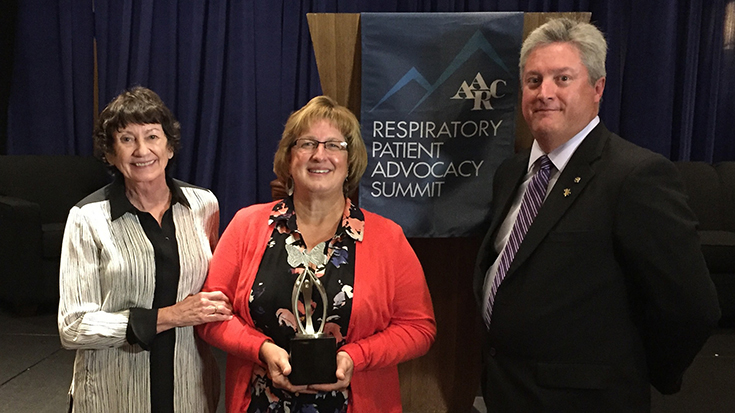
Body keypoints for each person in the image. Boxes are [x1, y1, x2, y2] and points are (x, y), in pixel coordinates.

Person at [473, 18, 721, 412]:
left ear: (598, 88)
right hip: (508, 392)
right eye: (534, 80)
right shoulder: (510, 173)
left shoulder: (636, 176)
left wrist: (636, 371)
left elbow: (691, 306)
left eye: (562, 78)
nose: (544, 93)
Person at [197, 95, 436, 413]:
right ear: (289, 157)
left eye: (334, 145)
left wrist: (354, 357)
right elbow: (210, 316)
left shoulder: (387, 237)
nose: (320, 155)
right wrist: (262, 349)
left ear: (350, 160)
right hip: (261, 404)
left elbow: (418, 328)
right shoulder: (246, 225)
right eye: (307, 144)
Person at [58, 86, 232, 412]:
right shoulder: (87, 218)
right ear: (110, 154)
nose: (142, 150)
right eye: (126, 139)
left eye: (152, 136)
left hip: (189, 390)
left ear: (169, 148)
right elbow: (72, 328)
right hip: (114, 394)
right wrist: (169, 317)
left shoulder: (204, 205)